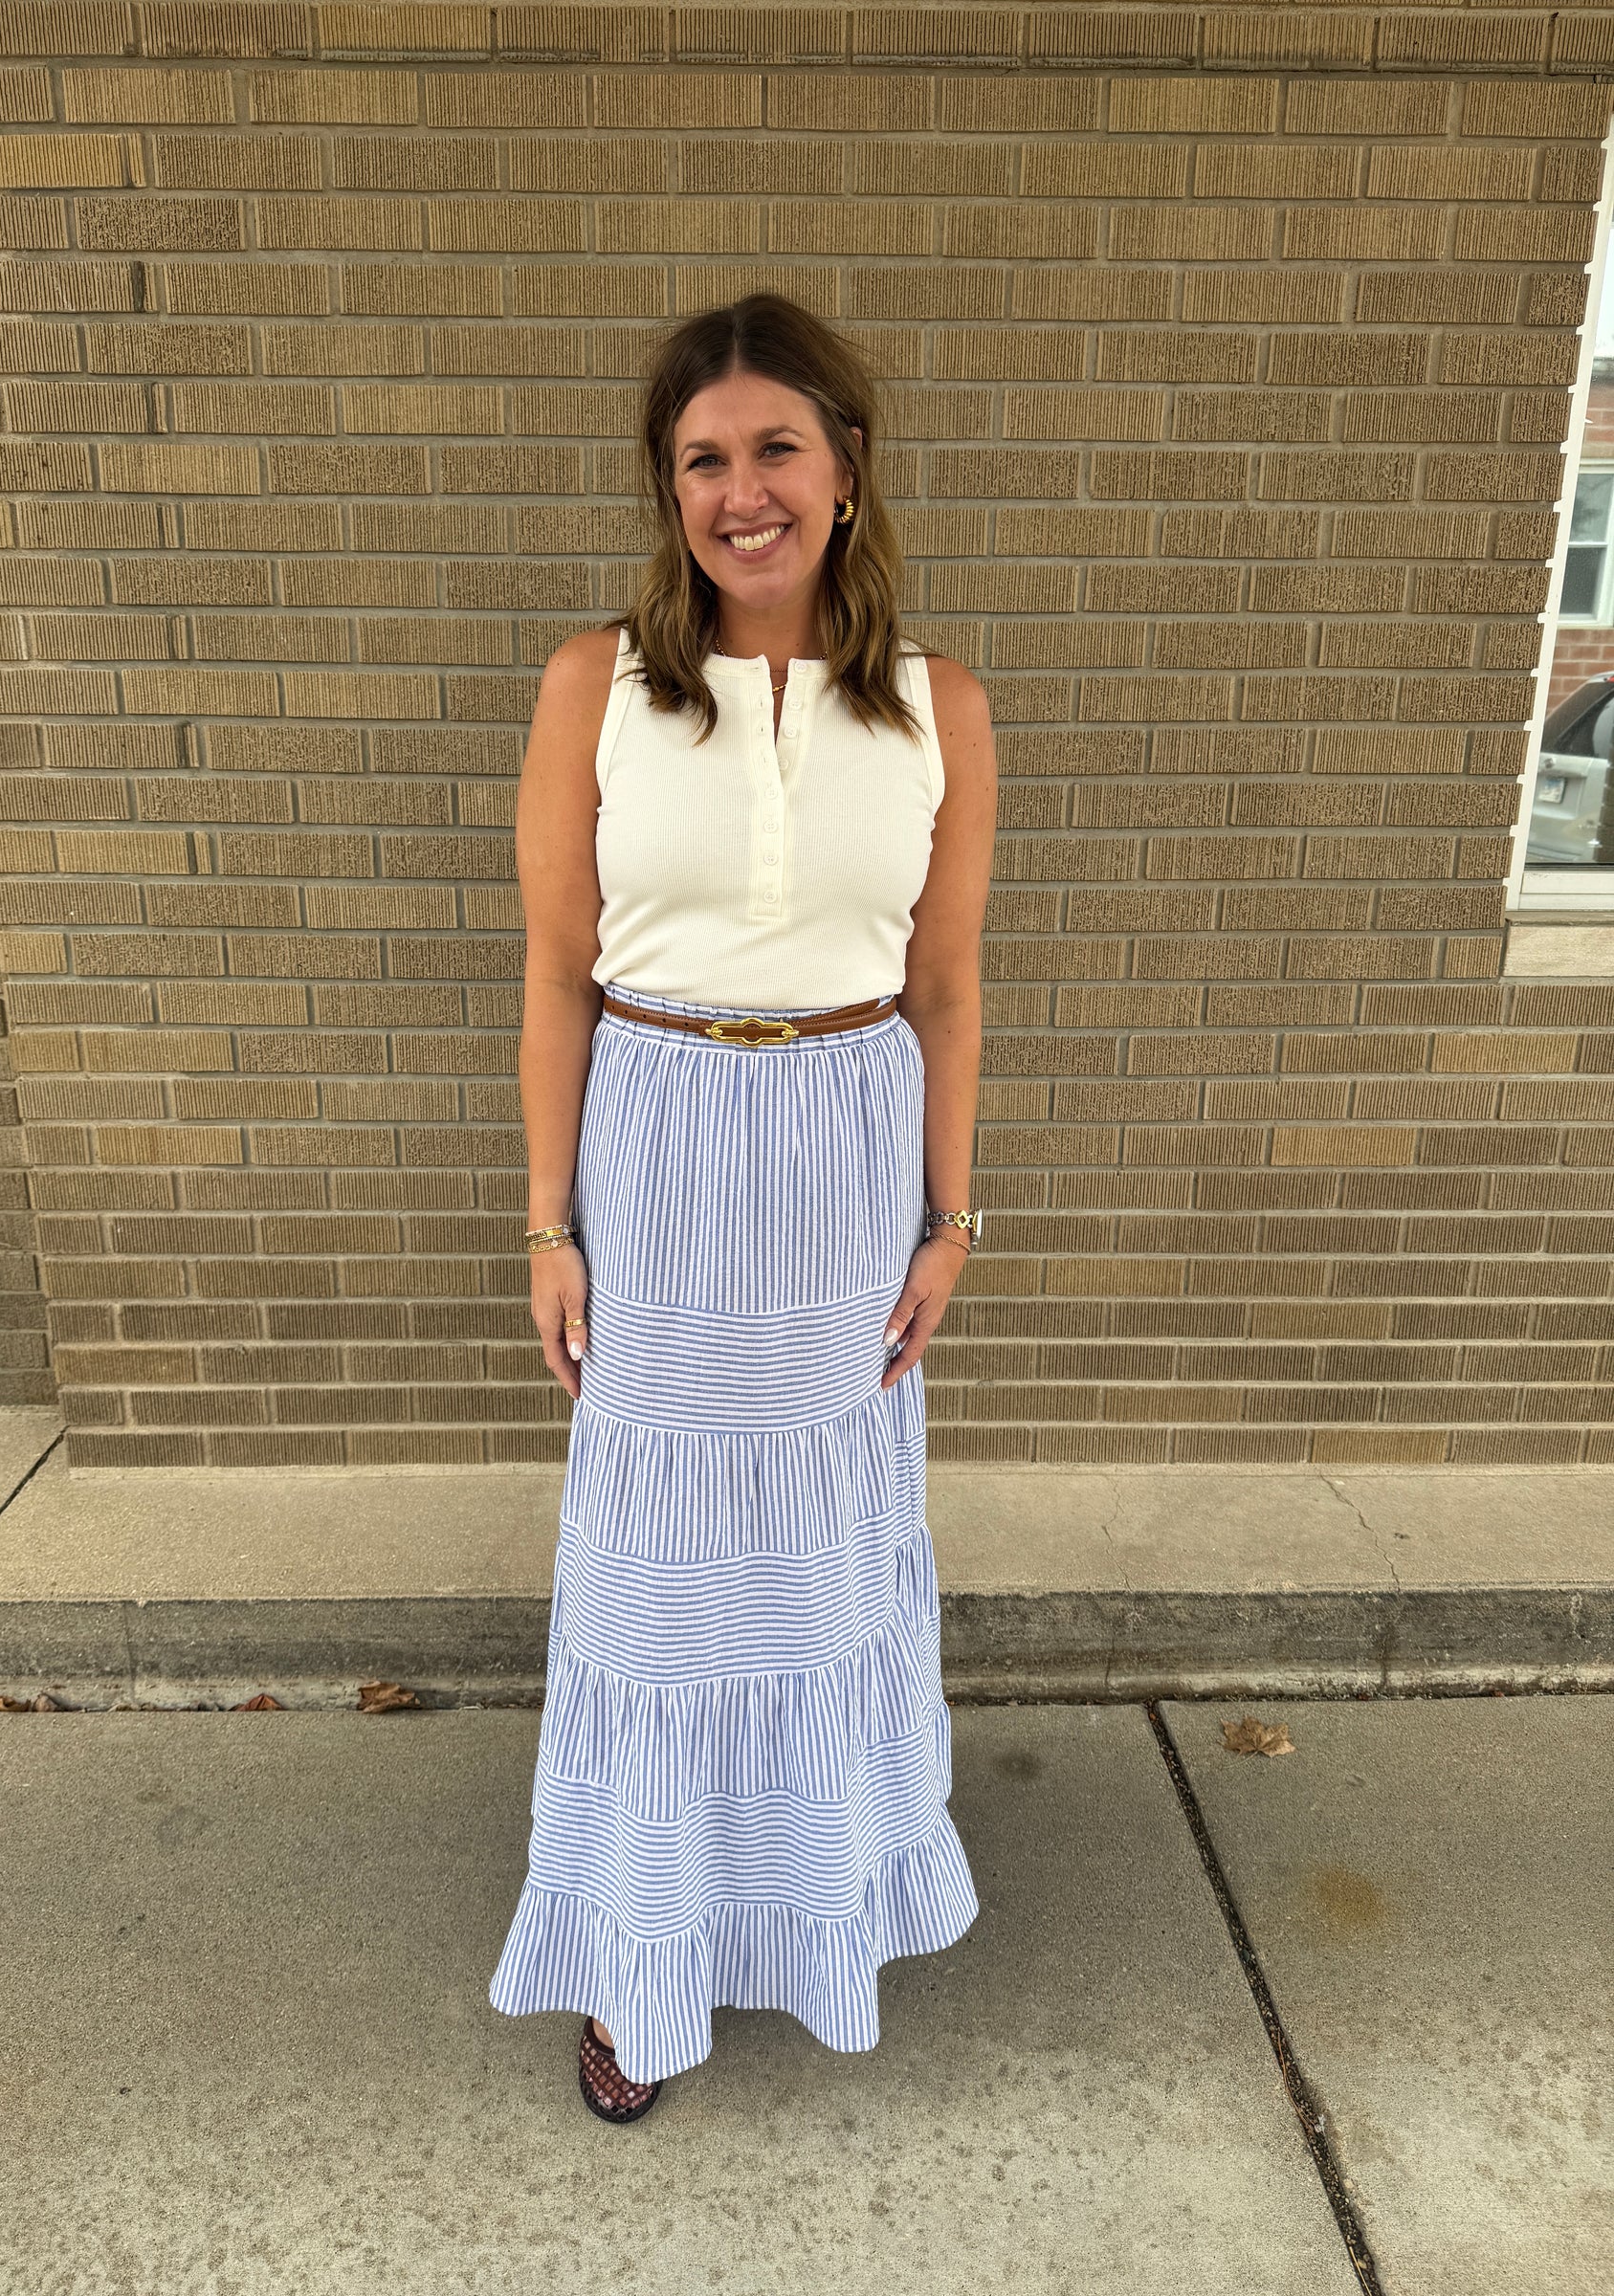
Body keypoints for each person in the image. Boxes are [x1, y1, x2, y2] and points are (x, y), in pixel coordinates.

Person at [488, 292, 998, 2123]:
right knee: (656, 1584)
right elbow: (559, 971)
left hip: (852, 1162)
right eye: (703, 459)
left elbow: (943, 990)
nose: (741, 490)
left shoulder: (939, 709)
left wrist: (950, 1221)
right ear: (669, 488)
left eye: (776, 447)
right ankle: (641, 1958)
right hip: (665, 1147)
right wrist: (549, 1225)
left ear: (846, 471)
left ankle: (809, 1916)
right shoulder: (599, 685)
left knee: (821, 1567)